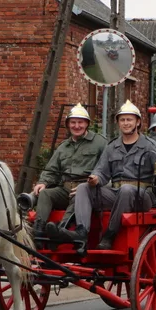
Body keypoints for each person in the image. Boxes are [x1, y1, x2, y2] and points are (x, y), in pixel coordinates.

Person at [47, 100, 156, 252]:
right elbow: (101, 171)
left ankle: (109, 235)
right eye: (122, 120)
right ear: (118, 123)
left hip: (142, 197)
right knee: (83, 188)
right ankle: (81, 234)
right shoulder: (112, 146)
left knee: (126, 190)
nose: (126, 123)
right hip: (116, 193)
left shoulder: (149, 145)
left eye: (129, 119)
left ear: (138, 122)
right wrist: (95, 179)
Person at [29, 103, 107, 242]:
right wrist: (43, 182)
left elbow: (106, 167)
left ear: (87, 124)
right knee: (45, 194)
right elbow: (51, 169)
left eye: (80, 122)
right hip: (64, 189)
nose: (76, 126)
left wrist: (90, 185)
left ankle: (61, 230)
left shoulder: (100, 143)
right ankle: (38, 231)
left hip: (85, 190)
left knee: (78, 197)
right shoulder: (63, 147)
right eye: (73, 122)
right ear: (68, 124)